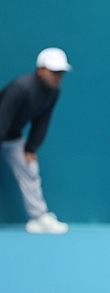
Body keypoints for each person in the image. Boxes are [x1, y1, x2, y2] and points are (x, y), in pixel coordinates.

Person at [0, 47, 71, 234]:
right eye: (54, 72)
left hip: (12, 137)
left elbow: (42, 120)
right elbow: (2, 119)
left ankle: (38, 217)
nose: (58, 77)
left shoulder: (54, 92)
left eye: (61, 73)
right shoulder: (20, 88)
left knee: (30, 167)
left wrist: (31, 148)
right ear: (41, 70)